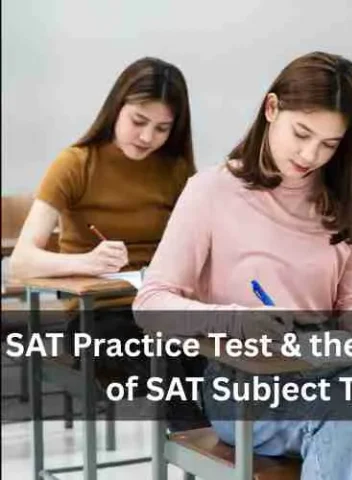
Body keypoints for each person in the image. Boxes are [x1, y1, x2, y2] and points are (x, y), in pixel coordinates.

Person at [133, 51, 352, 480]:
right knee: (350, 414)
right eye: (301, 133)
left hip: (334, 375)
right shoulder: (211, 192)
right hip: (244, 389)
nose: (311, 154)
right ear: (271, 108)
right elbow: (150, 304)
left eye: (330, 144)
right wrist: (238, 322)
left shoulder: (347, 203)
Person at [9, 56, 205, 430]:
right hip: (96, 317)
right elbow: (21, 262)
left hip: (160, 307)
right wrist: (86, 262)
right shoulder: (75, 164)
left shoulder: (176, 170)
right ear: (116, 107)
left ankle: (225, 452)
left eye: (163, 128)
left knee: (212, 351)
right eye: (138, 121)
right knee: (166, 354)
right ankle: (204, 454)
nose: (148, 137)